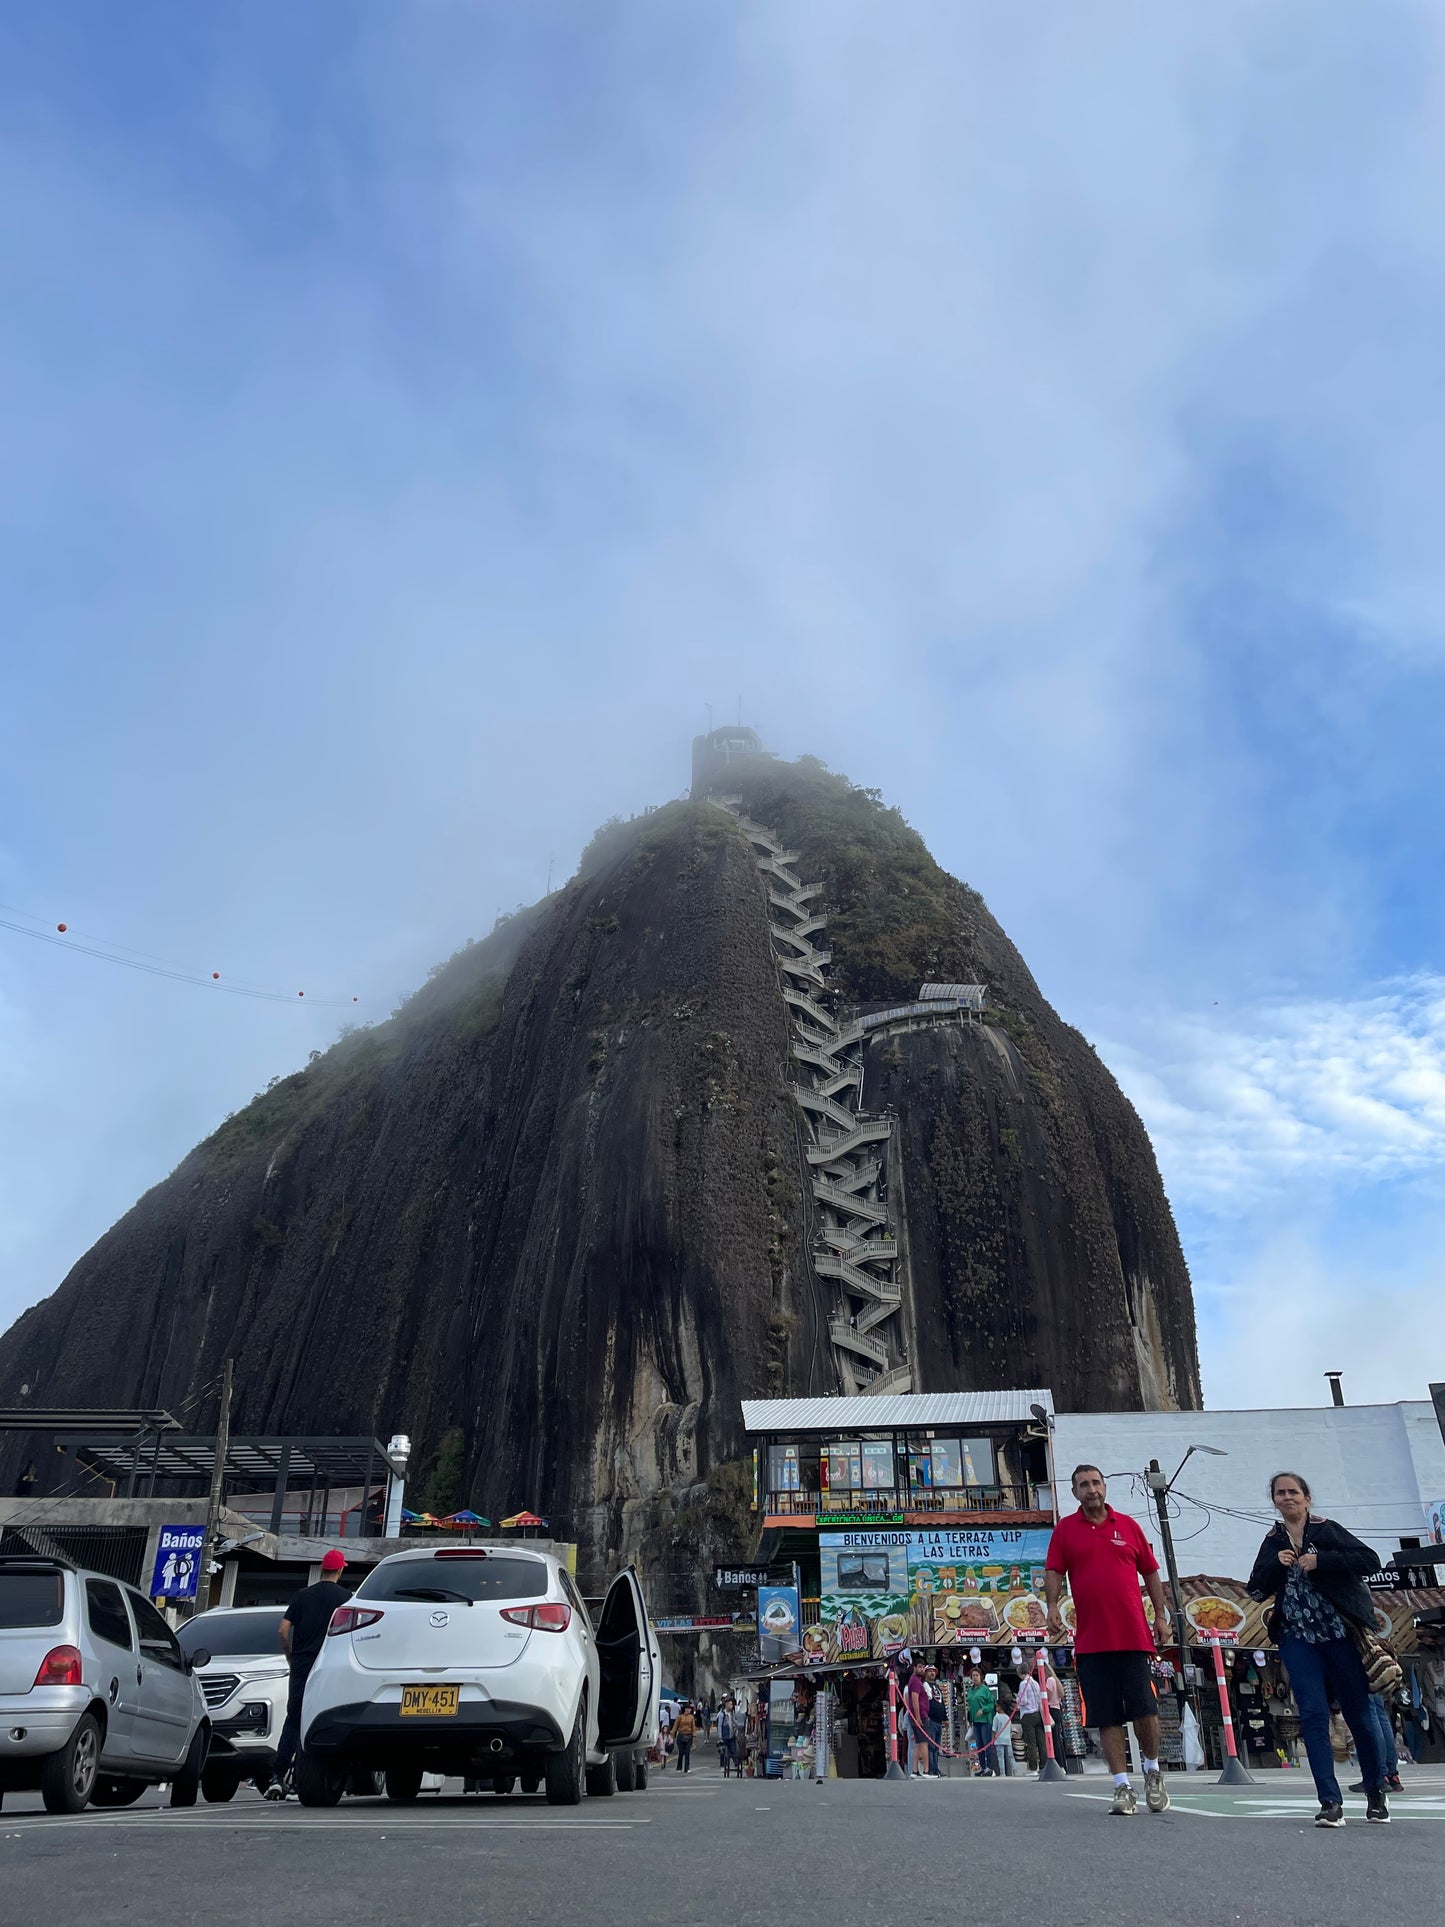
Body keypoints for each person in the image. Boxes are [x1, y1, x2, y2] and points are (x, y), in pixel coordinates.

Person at [1245, 1471, 1390, 1827]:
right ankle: (1329, 1801)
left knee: (1359, 1715)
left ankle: (1376, 1793)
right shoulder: (1272, 1539)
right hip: (1297, 1636)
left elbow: (1370, 1561)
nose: (1287, 1498)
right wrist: (1273, 1567)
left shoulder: (1326, 1529)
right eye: (1280, 1493)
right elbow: (1255, 1590)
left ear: (1307, 1498)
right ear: (1274, 1501)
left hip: (1339, 1633)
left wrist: (1322, 1560)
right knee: (1311, 1714)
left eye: (1293, 1492)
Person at [1045, 1463, 1172, 1817]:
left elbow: (1150, 1570)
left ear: (1105, 1487)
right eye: (1083, 1485)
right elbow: (1054, 1569)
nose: (1091, 1489)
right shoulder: (1066, 1530)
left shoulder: (1128, 1526)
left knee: (1144, 1709)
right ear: (1074, 1492)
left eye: (1096, 1483)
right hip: (1090, 1641)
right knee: (1106, 1716)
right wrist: (1052, 1605)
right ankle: (1122, 1786)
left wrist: (1160, 1617)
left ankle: (1151, 1770)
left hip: (1133, 1636)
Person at [267, 1548, 351, 1798]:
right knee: (329, 1716)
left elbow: (283, 1630)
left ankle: (278, 1776)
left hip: (302, 1663)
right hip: (330, 1664)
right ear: (340, 1569)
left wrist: (290, 1656)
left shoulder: (302, 1596)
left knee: (294, 1718)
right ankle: (327, 1776)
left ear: (322, 1569)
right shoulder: (346, 1597)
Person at [1351, 1693, 1404, 1795]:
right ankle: (1391, 1774)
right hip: (1377, 1679)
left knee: (1370, 1712)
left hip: (1364, 1678)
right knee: (1380, 1713)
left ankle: (1379, 1774)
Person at [900, 1654, 934, 1777]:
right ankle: (926, 1770)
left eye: (923, 1667)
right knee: (924, 1743)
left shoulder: (917, 1681)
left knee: (918, 1744)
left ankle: (914, 1770)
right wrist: (918, 1717)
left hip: (918, 1716)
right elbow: (914, 1700)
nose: (922, 1670)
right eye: (919, 1667)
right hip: (920, 1717)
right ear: (914, 1668)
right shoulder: (915, 1681)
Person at [966, 1670, 997, 1775]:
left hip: (985, 1720)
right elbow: (970, 1706)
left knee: (986, 1743)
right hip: (975, 1721)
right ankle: (982, 1767)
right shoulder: (970, 1691)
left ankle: (989, 1767)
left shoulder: (985, 1690)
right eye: (973, 1676)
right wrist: (970, 1719)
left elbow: (991, 1705)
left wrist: (983, 1709)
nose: (975, 1677)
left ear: (981, 1677)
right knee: (979, 1745)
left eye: (977, 1675)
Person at [1015, 1668, 1047, 1770]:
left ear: (1020, 1673)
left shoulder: (1023, 1684)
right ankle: (1044, 1765)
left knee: (1031, 1743)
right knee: (1041, 1742)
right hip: (1037, 1713)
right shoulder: (1035, 1683)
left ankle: (1033, 1767)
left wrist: (1017, 1699)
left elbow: (1023, 1701)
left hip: (1028, 1714)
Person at [925, 1666, 946, 1776]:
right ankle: (931, 1769)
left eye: (933, 1671)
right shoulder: (925, 1685)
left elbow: (942, 1702)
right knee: (931, 1746)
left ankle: (936, 1768)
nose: (932, 1673)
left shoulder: (937, 1686)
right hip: (930, 1720)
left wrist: (945, 1717)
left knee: (936, 1747)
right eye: (930, 1671)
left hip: (938, 1721)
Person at [992, 1694, 1016, 1776]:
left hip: (999, 1740)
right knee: (1010, 1756)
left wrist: (993, 1739)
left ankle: (1002, 1773)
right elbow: (1010, 1729)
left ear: (1000, 1707)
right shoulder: (1007, 1717)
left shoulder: (996, 1717)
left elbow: (994, 1729)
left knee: (1000, 1757)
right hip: (1007, 1739)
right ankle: (1014, 1771)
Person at [673, 1701, 696, 1773]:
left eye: (689, 1709)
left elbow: (693, 1727)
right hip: (681, 1735)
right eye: (687, 1709)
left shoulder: (691, 1717)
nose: (688, 1710)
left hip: (688, 1735)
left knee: (687, 1753)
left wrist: (694, 1735)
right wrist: (672, 1733)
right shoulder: (680, 1717)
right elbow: (675, 1725)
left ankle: (687, 1768)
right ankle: (679, 1767)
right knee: (681, 1753)